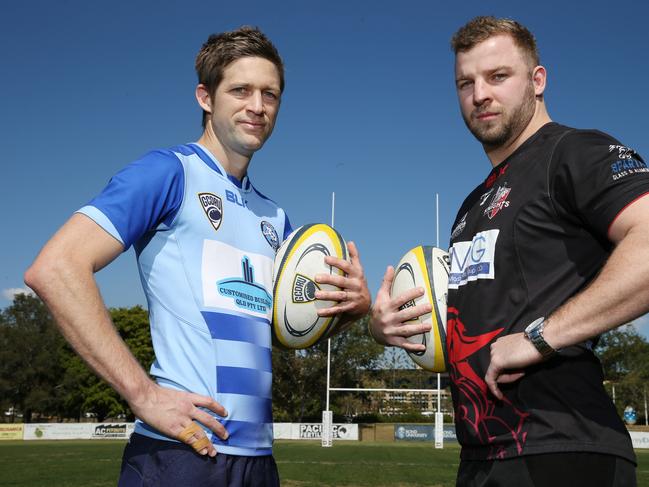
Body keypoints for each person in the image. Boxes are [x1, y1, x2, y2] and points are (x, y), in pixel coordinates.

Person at [25, 26, 370, 486]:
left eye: (270, 94)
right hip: (180, 454)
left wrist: (354, 309)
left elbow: (292, 328)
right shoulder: (169, 173)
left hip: (258, 461)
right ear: (205, 98)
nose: (258, 106)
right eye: (241, 90)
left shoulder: (276, 218)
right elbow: (55, 268)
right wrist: (142, 394)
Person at [369, 16, 648, 486]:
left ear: (537, 81)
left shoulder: (577, 151)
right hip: (482, 456)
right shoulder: (471, 206)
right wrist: (390, 328)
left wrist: (543, 336)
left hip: (564, 448)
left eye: (498, 76)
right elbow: (473, 327)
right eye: (466, 82)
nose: (480, 94)